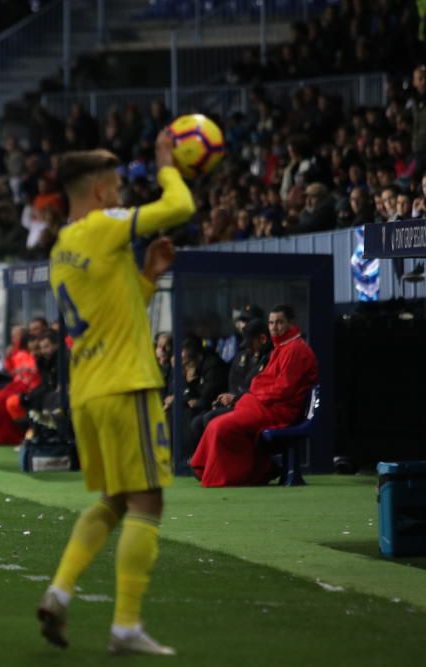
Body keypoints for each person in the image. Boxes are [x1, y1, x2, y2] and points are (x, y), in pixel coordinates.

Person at [38, 132, 194, 656]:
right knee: (148, 499)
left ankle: (59, 592)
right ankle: (126, 626)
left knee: (116, 499)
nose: (123, 197)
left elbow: (110, 308)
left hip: (87, 391)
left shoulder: (63, 245)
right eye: (119, 188)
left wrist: (147, 276)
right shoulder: (105, 226)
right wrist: (167, 164)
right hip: (126, 384)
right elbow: (181, 205)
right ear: (103, 191)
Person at [190, 305, 318, 487]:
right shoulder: (282, 346)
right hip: (263, 405)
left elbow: (284, 389)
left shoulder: (295, 349)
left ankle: (233, 475)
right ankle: (215, 469)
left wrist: (255, 392)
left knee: (221, 426)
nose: (274, 327)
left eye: (280, 322)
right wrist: (254, 392)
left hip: (277, 411)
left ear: (291, 323)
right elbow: (264, 381)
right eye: (271, 322)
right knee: (215, 424)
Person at [187, 319, 272, 455]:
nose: (249, 348)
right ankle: (202, 464)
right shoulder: (244, 356)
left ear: (262, 339)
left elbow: (260, 390)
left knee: (211, 419)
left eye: (251, 343)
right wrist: (226, 399)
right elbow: (235, 382)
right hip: (239, 403)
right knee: (198, 421)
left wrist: (235, 399)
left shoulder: (270, 358)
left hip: (255, 408)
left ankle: (220, 464)